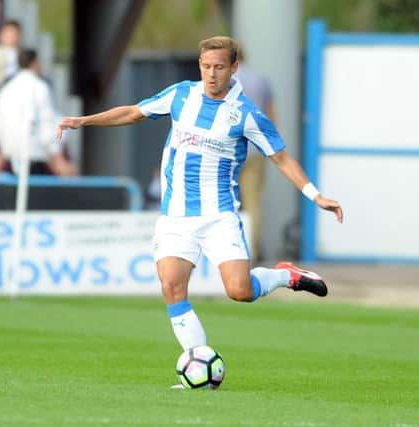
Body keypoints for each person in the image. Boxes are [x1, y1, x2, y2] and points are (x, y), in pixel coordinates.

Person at [57, 36, 343, 387]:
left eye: (219, 67)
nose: (211, 74)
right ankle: (200, 368)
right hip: (175, 216)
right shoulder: (181, 95)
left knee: (239, 291)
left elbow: (281, 158)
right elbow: (133, 112)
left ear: (234, 67)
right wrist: (83, 121)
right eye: (205, 66)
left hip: (219, 215)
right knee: (172, 286)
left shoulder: (247, 114)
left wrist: (316, 196)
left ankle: (285, 275)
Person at [0, 49, 64, 175]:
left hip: (10, 157)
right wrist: (55, 153)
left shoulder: (5, 90)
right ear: (35, 63)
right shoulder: (41, 87)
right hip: (35, 158)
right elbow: (47, 122)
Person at [235, 49, 276, 262]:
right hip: (254, 149)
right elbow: (270, 116)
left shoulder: (224, 80)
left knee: (221, 200)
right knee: (253, 204)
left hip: (228, 149)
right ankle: (250, 253)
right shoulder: (261, 80)